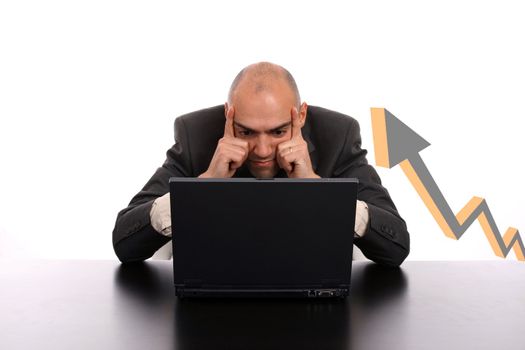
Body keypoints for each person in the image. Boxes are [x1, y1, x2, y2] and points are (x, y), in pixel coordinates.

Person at [113, 62, 410, 266]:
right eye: (246, 132)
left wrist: (319, 190)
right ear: (228, 114)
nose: (263, 149)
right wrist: (200, 187)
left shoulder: (337, 135)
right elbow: (125, 242)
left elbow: (396, 247)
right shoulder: (197, 134)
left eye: (279, 131)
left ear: (301, 115)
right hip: (214, 298)